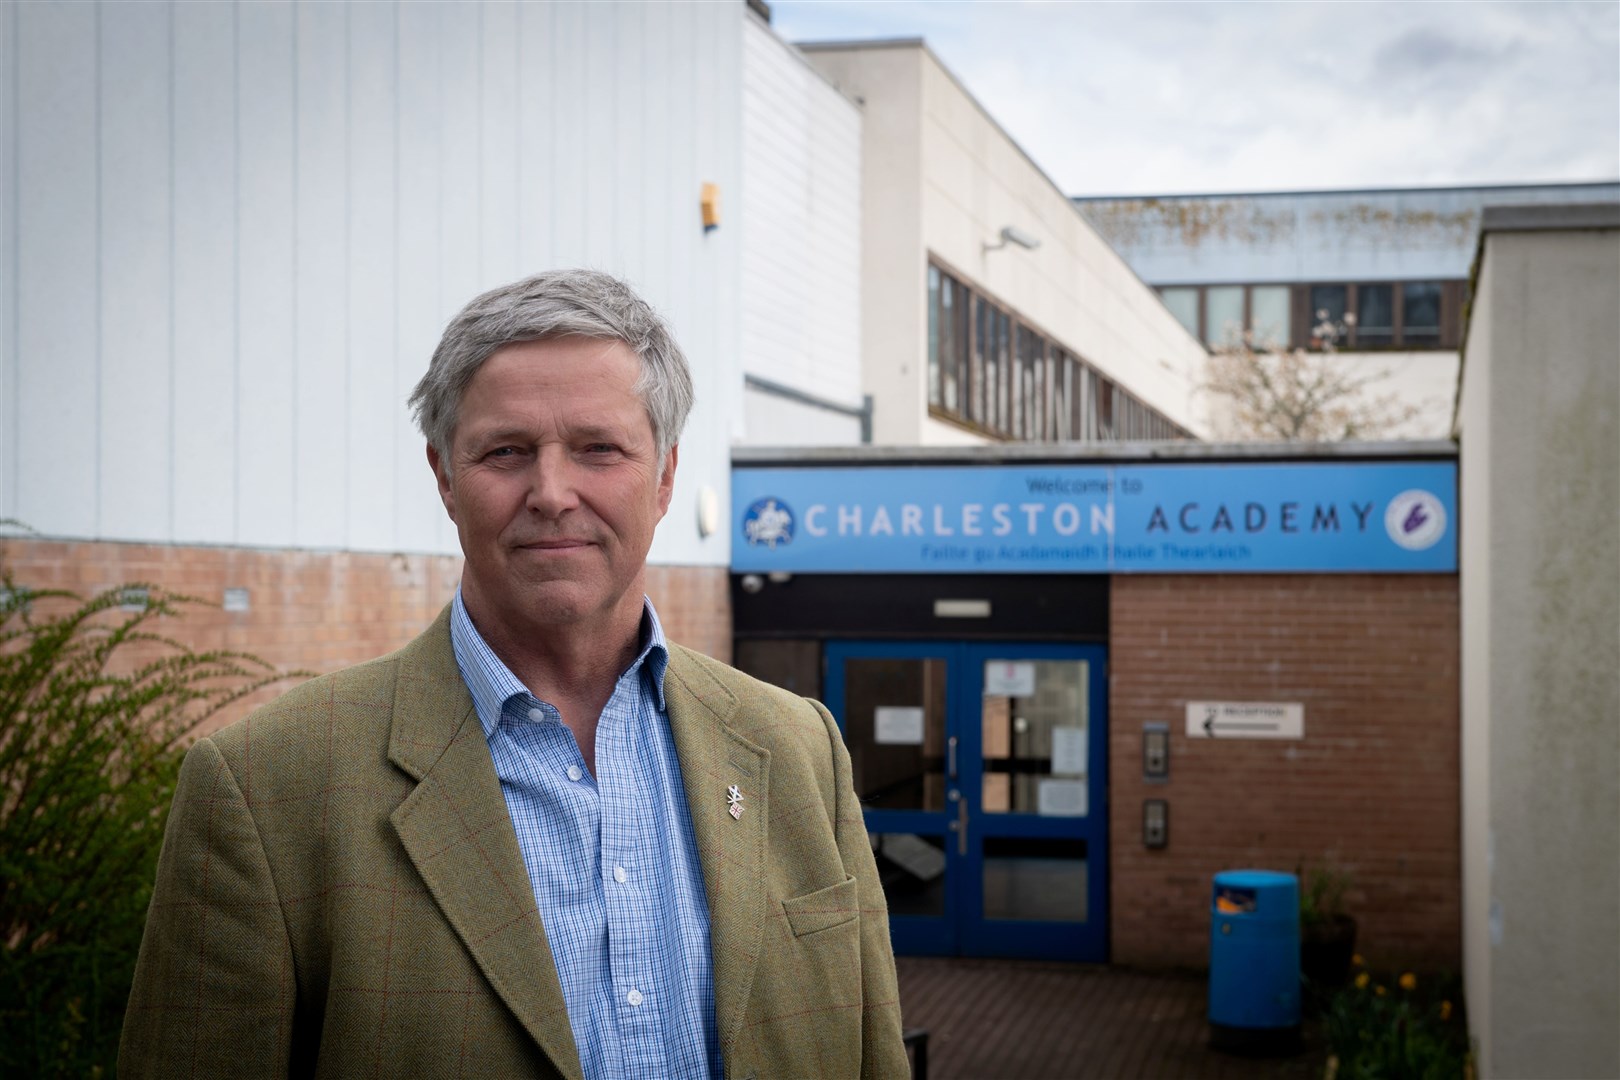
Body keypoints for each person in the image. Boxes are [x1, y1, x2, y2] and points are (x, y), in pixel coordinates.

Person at [119, 269, 909, 1079]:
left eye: (598, 449)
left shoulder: (800, 749)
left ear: (666, 475)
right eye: (507, 452)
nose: (553, 493)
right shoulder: (264, 788)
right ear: (445, 477)